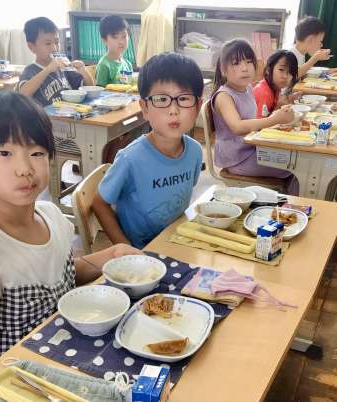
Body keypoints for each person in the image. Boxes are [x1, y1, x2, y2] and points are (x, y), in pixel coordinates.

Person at [0, 92, 141, 375]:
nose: (25, 169)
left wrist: (112, 255)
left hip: (64, 355)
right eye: (5, 153)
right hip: (14, 377)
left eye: (37, 153)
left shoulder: (52, 216)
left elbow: (62, 274)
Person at [92, 52, 204, 248]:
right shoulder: (130, 159)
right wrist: (127, 249)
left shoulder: (195, 151)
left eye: (184, 99)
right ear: (144, 108)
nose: (173, 110)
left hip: (176, 243)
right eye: (161, 99)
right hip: (142, 254)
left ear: (198, 106)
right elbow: (99, 203)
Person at [211, 39, 298, 195]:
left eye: (249, 62)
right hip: (237, 159)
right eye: (236, 63)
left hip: (251, 149)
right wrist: (274, 119)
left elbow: (256, 120)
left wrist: (278, 113)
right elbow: (238, 127)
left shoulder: (248, 89)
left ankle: (288, 204)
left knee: (296, 159)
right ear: (223, 70)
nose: (244, 68)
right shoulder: (224, 96)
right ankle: (290, 206)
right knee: (295, 168)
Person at [18, 17, 93, 106]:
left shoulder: (64, 67)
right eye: (48, 43)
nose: (54, 48)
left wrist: (83, 70)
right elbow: (22, 95)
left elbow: (90, 88)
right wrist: (48, 70)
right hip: (47, 114)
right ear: (32, 47)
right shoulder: (30, 70)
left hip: (70, 111)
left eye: (57, 42)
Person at [253, 50, 300, 118]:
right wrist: (278, 106)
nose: (285, 76)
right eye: (281, 70)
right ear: (268, 70)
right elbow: (260, 123)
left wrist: (288, 99)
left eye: (290, 72)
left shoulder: (275, 87)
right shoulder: (263, 92)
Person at [96, 15, 133, 87]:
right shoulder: (104, 65)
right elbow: (100, 90)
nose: (121, 42)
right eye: (115, 37)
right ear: (105, 40)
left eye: (124, 36)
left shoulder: (128, 64)